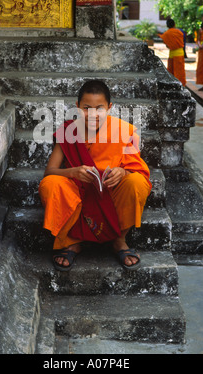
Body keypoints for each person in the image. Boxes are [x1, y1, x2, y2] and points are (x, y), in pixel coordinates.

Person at [38, 80, 152, 271]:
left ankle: (119, 239)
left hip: (109, 192)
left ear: (109, 107)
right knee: (51, 184)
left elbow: (137, 170)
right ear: (77, 107)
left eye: (99, 108)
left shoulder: (124, 131)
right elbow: (50, 172)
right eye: (86, 108)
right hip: (78, 191)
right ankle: (71, 241)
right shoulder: (69, 131)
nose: (92, 114)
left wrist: (123, 172)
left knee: (136, 182)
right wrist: (72, 172)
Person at [158, 19, 186, 86]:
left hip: (171, 53)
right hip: (179, 53)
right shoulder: (179, 32)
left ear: (167, 26)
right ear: (174, 24)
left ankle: (172, 85)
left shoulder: (166, 34)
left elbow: (166, 44)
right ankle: (181, 85)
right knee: (179, 72)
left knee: (171, 71)